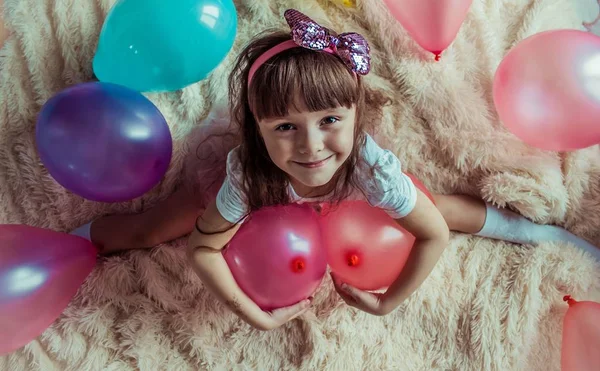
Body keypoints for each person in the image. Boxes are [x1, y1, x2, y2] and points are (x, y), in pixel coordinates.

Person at [70, 9, 600, 331]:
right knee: (159, 225)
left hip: (352, 193)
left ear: (354, 115)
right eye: (284, 127)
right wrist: (253, 312)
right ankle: (75, 242)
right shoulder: (246, 174)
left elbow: (432, 234)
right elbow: (203, 251)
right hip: (267, 193)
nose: (311, 146)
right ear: (257, 128)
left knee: (441, 207)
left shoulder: (368, 166)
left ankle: (537, 232)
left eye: (329, 119)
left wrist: (388, 302)